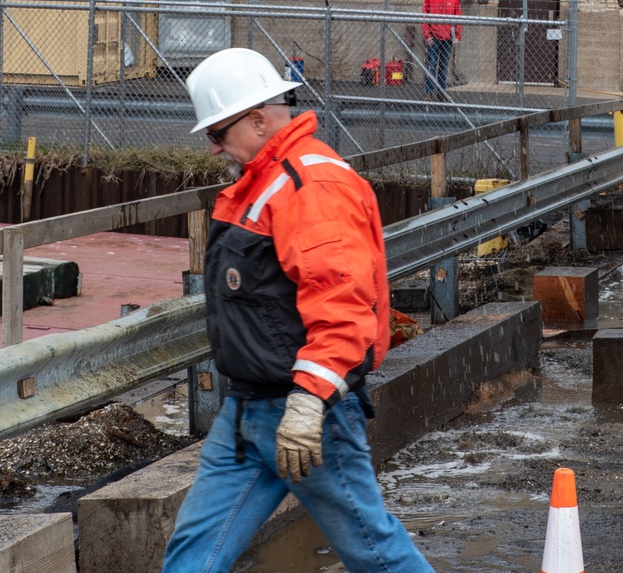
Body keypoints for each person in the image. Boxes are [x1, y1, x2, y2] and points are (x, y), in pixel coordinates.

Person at [161, 47, 434, 573]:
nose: (216, 148)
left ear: (259, 120)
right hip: (249, 409)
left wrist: (308, 403)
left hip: (303, 412)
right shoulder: (268, 181)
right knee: (194, 554)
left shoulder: (310, 187)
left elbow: (342, 303)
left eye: (218, 134)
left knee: (373, 552)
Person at [421, 0, 462, 98]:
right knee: (431, 66)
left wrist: (457, 36)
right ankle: (428, 93)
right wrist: (427, 36)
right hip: (433, 38)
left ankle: (441, 93)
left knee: (443, 68)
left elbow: (459, 18)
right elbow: (424, 18)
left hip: (448, 39)